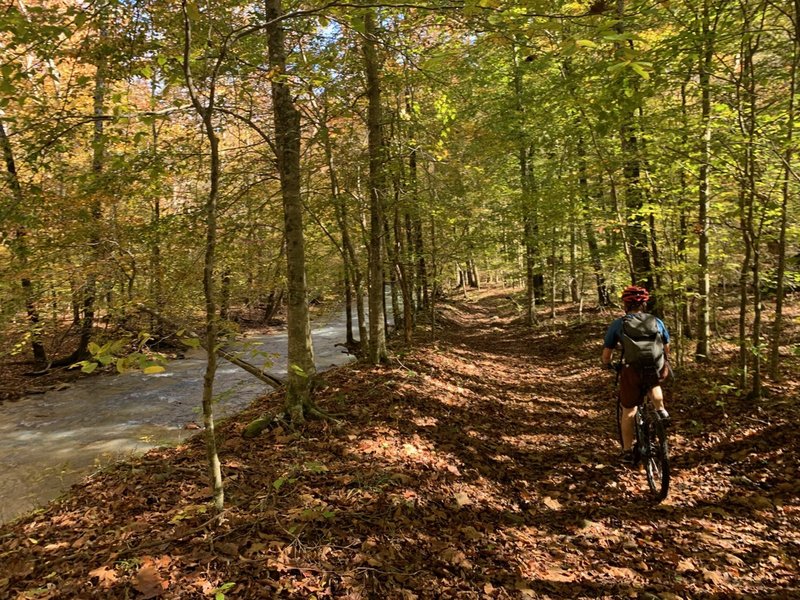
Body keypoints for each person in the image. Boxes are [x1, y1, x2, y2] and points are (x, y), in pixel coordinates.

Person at [601, 285, 671, 464]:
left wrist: (608, 365)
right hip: (654, 367)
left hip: (631, 370)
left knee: (629, 409)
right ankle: (661, 410)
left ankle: (626, 451)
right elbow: (666, 347)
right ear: (644, 304)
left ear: (625, 304)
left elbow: (606, 355)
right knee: (653, 384)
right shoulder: (657, 321)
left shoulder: (619, 323)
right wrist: (664, 362)